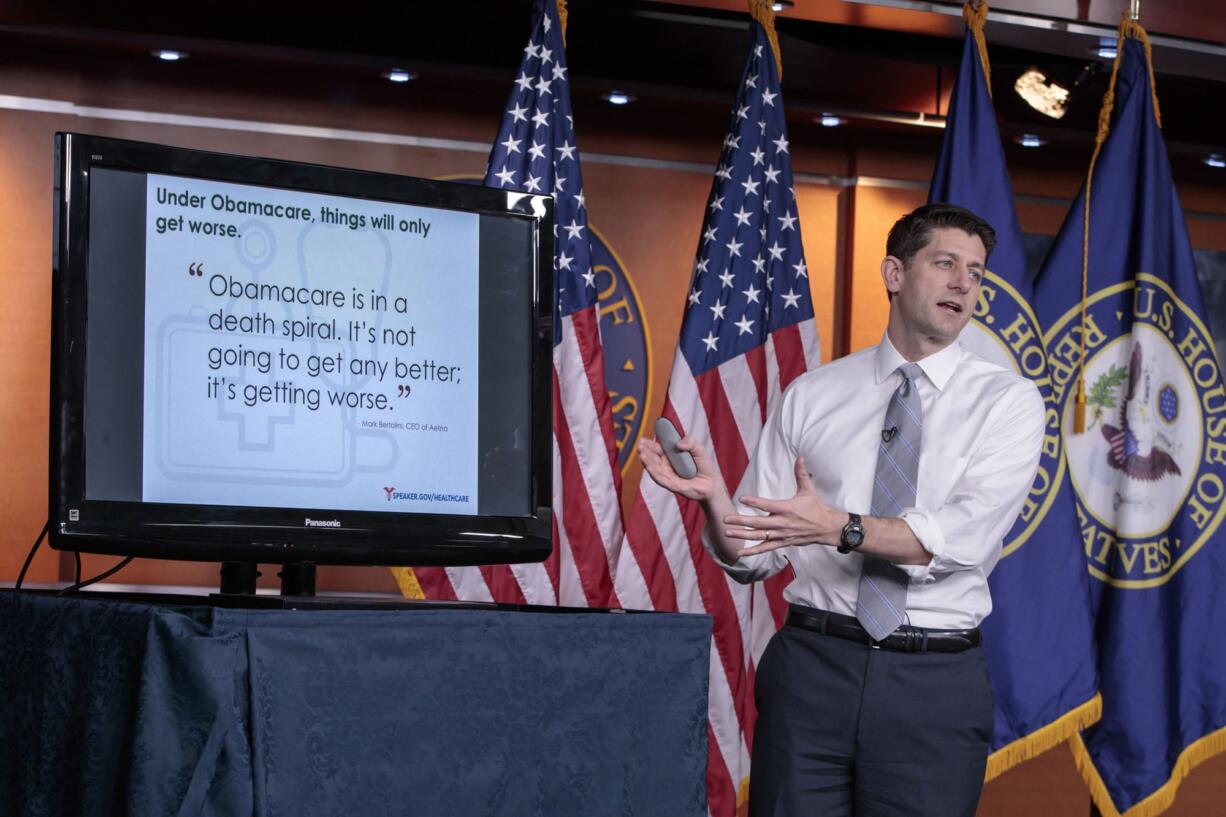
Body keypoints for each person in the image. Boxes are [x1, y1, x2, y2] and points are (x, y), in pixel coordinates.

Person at [639, 203, 1044, 817]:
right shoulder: (814, 394)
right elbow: (752, 556)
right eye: (945, 263)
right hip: (813, 671)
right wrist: (717, 503)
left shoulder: (1008, 403)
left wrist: (839, 528)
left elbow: (960, 537)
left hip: (932, 682)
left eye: (977, 273)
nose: (964, 284)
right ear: (894, 273)